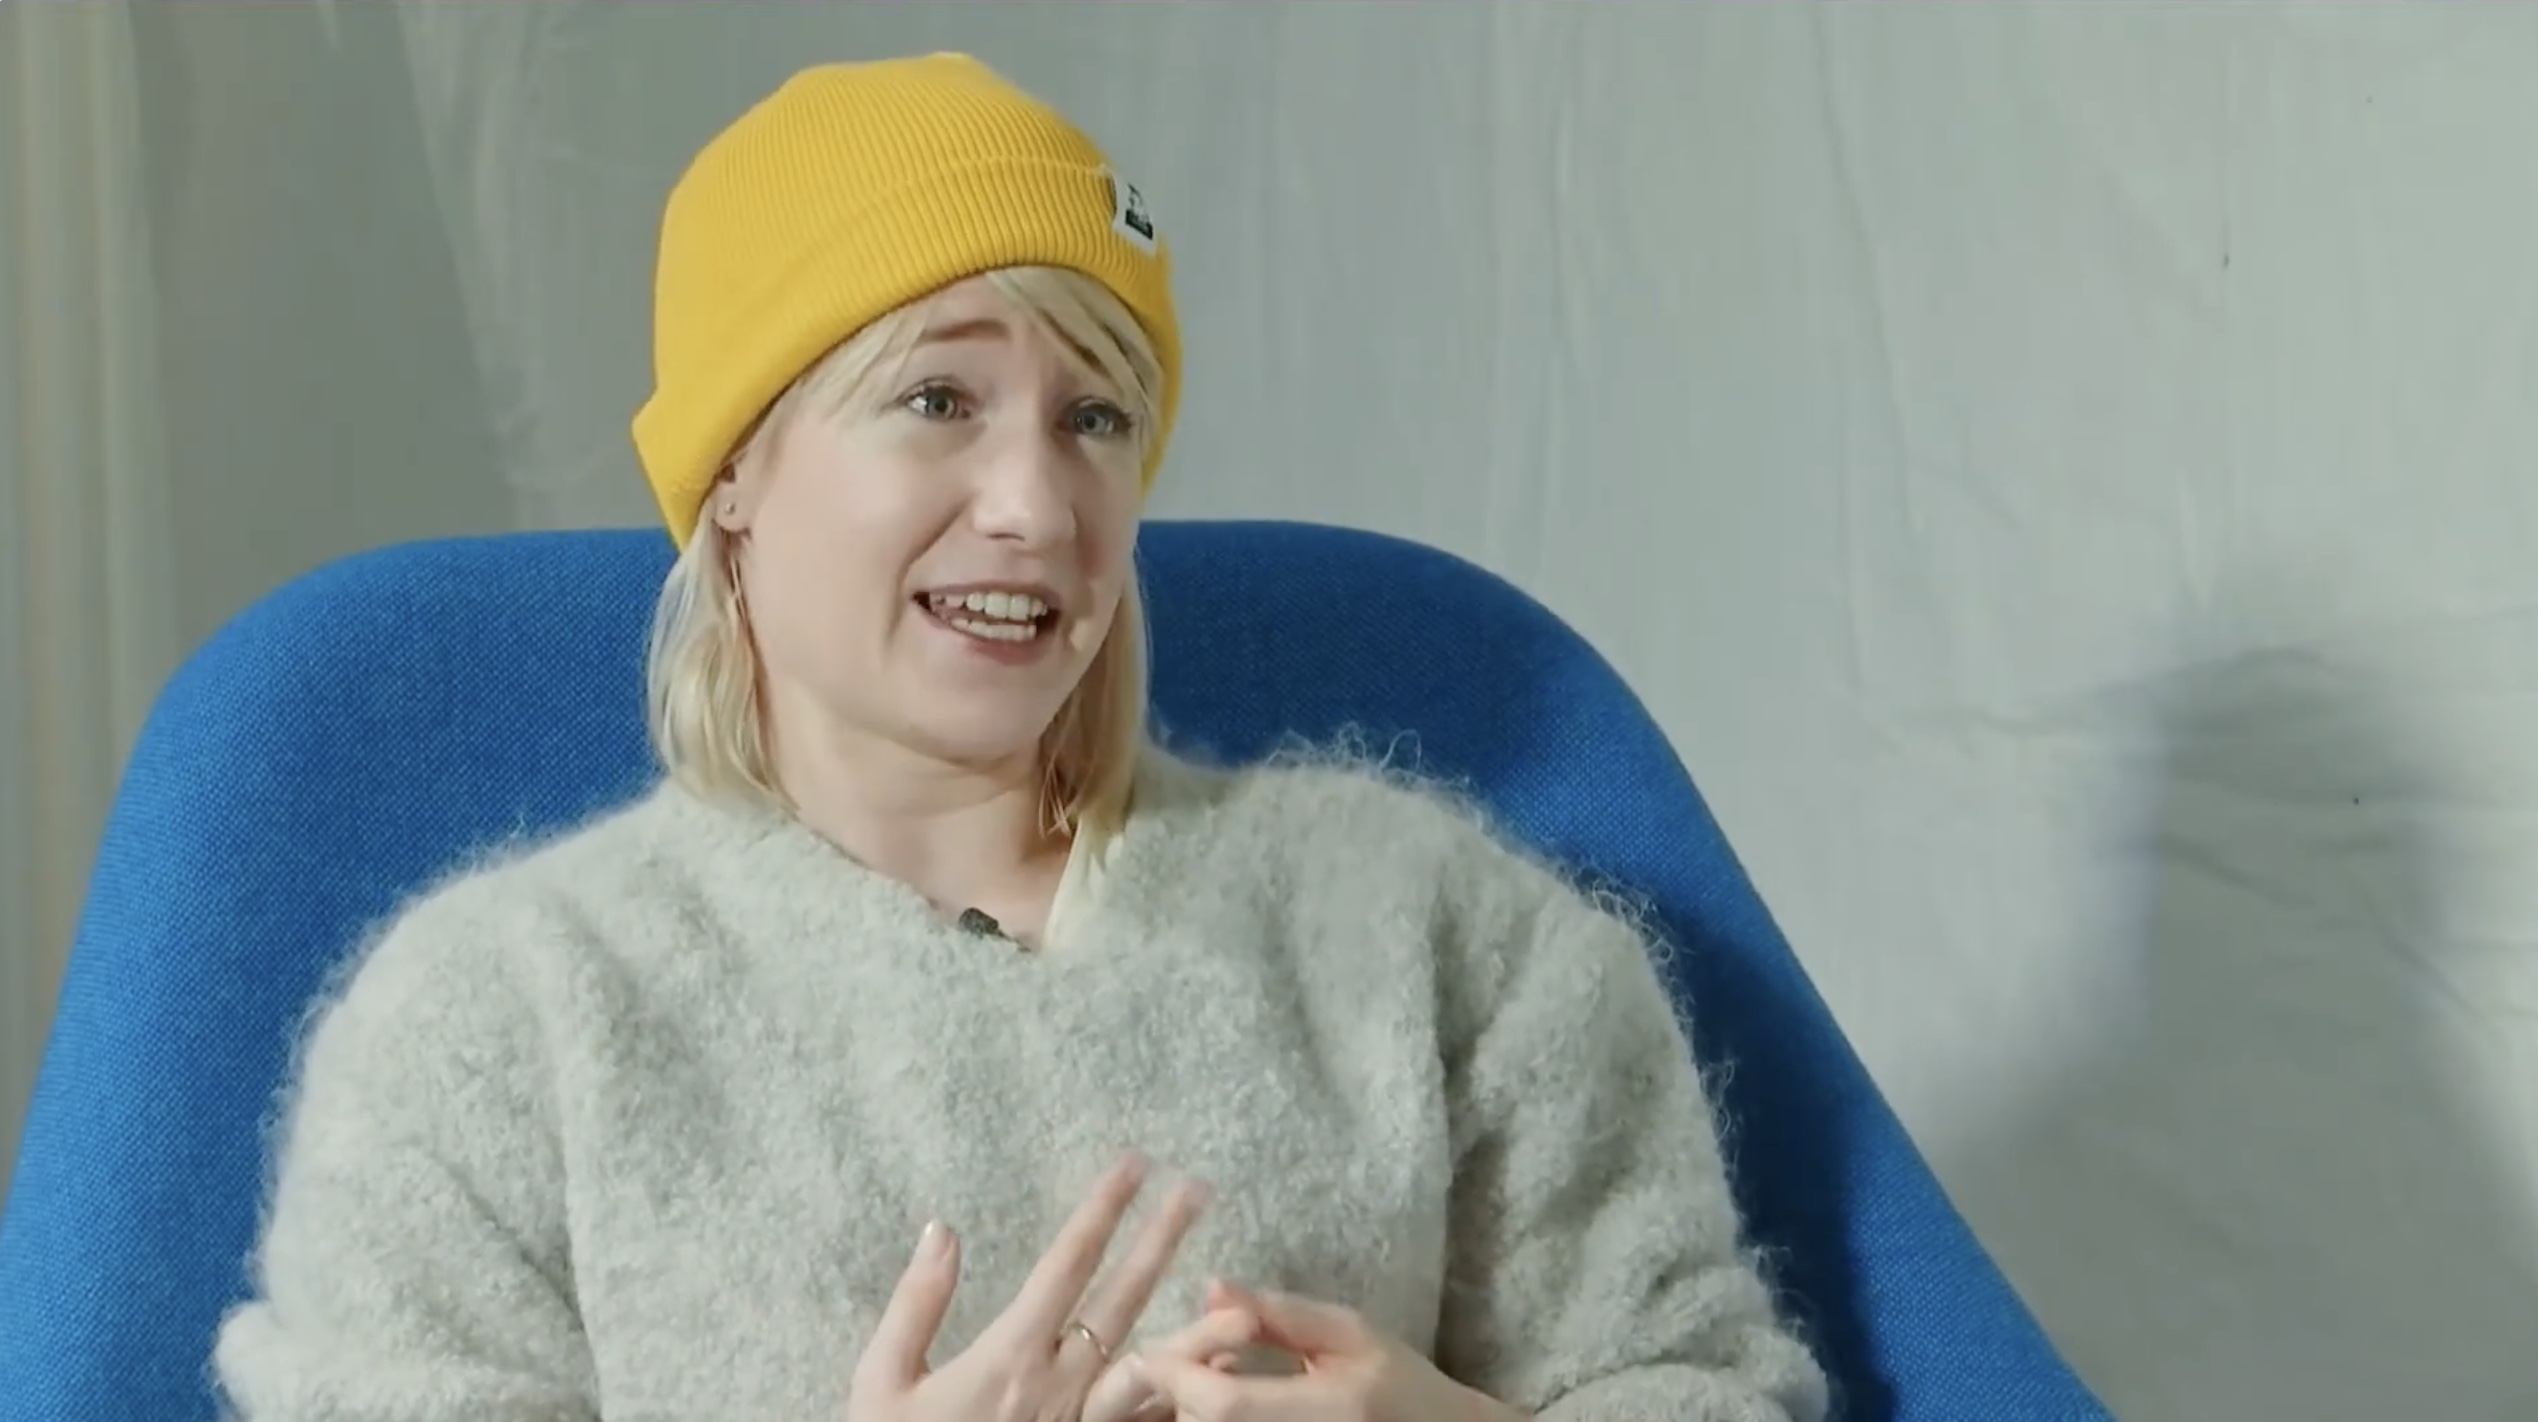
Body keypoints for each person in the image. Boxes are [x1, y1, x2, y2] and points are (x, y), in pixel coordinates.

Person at [210, 52, 1830, 1422]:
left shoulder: (1441, 938)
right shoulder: (494, 1027)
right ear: (736, 473)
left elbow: (1692, 1381)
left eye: (1095, 416)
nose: (1035, 506)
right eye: (937, 399)